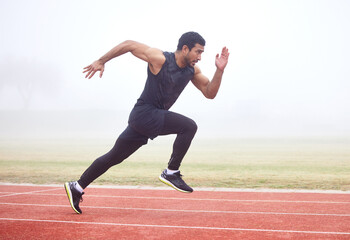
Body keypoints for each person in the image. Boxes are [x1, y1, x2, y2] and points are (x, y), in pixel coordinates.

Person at [64, 31, 229, 214]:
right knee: (189, 126)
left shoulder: (192, 71)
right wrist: (101, 60)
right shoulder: (160, 59)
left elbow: (209, 92)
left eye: (202, 53)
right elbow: (129, 44)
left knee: (114, 156)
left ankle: (77, 187)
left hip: (147, 119)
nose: (199, 57)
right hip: (145, 114)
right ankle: (171, 171)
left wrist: (219, 70)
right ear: (185, 48)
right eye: (198, 52)